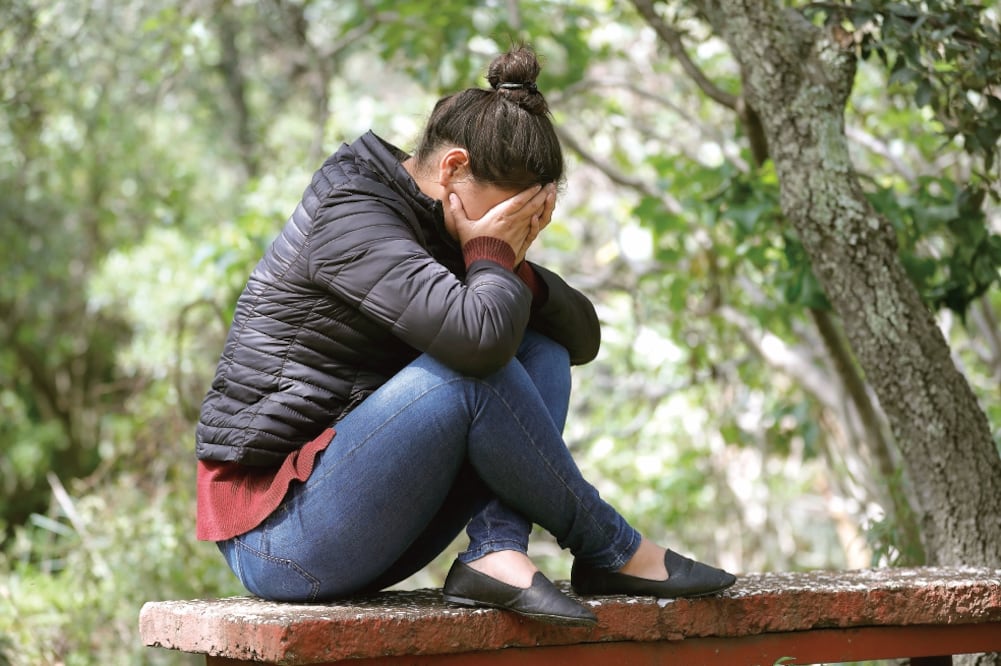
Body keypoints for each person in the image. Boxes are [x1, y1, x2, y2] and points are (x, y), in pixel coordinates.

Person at [195, 46, 735, 626]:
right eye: (509, 215)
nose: (515, 230)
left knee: (541, 349)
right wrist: (491, 253)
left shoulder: (442, 225)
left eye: (529, 220)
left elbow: (581, 341)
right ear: (452, 168)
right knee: (472, 372)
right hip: (277, 536)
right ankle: (612, 547)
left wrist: (508, 263)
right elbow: (478, 347)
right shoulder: (351, 214)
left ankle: (497, 551)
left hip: (368, 519)